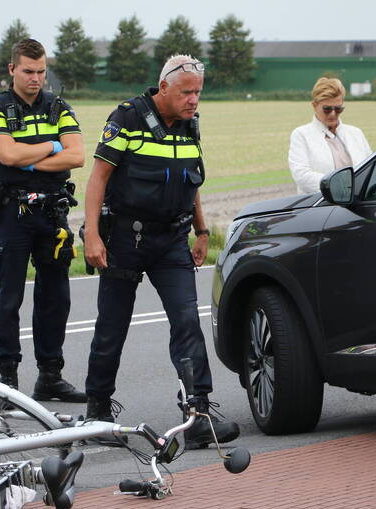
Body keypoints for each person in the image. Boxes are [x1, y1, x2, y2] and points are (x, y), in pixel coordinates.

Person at [82, 54, 239, 449]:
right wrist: (92, 236)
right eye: (186, 92)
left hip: (172, 240)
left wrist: (201, 230)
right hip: (125, 239)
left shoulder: (190, 124)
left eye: (198, 92)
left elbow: (191, 180)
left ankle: (198, 415)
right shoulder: (127, 118)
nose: (193, 100)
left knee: (187, 321)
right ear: (164, 87)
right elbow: (98, 178)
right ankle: (97, 413)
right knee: (112, 326)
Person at [0, 38, 86, 403]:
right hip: (13, 214)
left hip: (53, 213)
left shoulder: (58, 106)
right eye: (28, 71)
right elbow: (7, 154)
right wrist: (52, 146)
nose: (36, 79)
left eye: (41, 72)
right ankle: (7, 381)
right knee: (8, 299)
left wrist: (29, 160)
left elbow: (77, 156)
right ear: (12, 69)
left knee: (55, 298)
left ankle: (50, 377)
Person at [287, 77, 372, 195]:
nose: (333, 114)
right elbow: (302, 176)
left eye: (338, 109)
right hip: (320, 204)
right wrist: (340, 186)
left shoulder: (356, 133)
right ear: (314, 105)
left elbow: (371, 168)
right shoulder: (301, 135)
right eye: (327, 109)